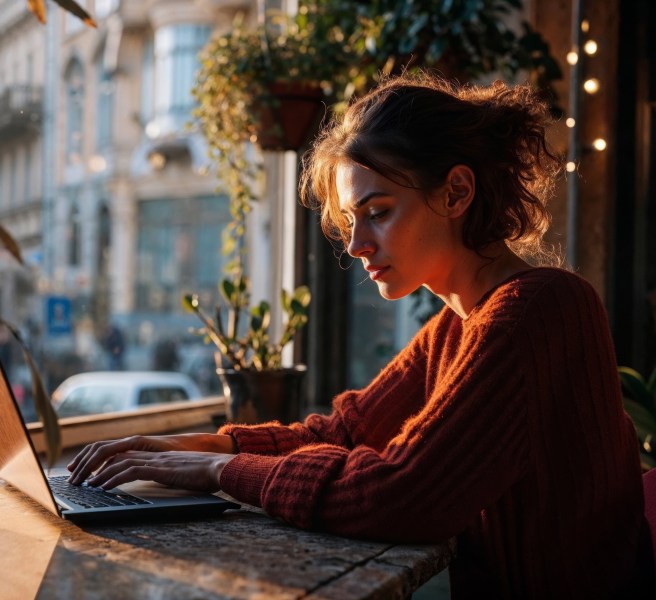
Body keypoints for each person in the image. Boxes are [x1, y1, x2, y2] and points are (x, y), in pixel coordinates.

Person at [67, 72, 654, 597]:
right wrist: (202, 446)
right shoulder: (456, 327)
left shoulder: (542, 307)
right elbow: (345, 432)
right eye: (351, 221)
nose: (357, 245)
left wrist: (219, 473)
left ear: (456, 193)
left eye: (378, 212)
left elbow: (404, 493)